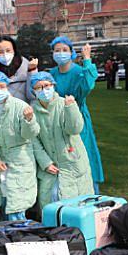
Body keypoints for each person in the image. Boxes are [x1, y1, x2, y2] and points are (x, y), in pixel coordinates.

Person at [0, 69, 40, 220]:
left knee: (18, 200)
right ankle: (6, 228)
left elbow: (30, 135)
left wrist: (29, 120)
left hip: (21, 158)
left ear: (7, 87)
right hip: (1, 159)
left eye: (2, 86)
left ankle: (19, 229)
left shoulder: (20, 106)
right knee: (4, 197)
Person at [29, 72, 93, 209]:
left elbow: (75, 129)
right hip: (50, 166)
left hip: (72, 162)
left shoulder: (64, 104)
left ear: (53, 85)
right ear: (33, 91)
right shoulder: (32, 111)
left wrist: (71, 108)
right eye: (39, 87)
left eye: (47, 85)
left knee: (78, 204)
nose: (44, 90)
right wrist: (45, 162)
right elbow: (33, 140)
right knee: (51, 204)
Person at [48, 37, 104, 191]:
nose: (60, 53)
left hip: (77, 117)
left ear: (71, 52)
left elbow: (88, 85)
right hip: (56, 119)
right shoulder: (52, 73)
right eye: (57, 50)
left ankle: (91, 190)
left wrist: (87, 59)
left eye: (64, 50)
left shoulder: (79, 72)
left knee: (83, 152)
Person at [0, 35, 38, 102]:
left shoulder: (26, 66)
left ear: (14, 50)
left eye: (8, 50)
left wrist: (32, 71)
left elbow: (33, 96)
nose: (5, 55)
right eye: (0, 52)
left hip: (25, 107)